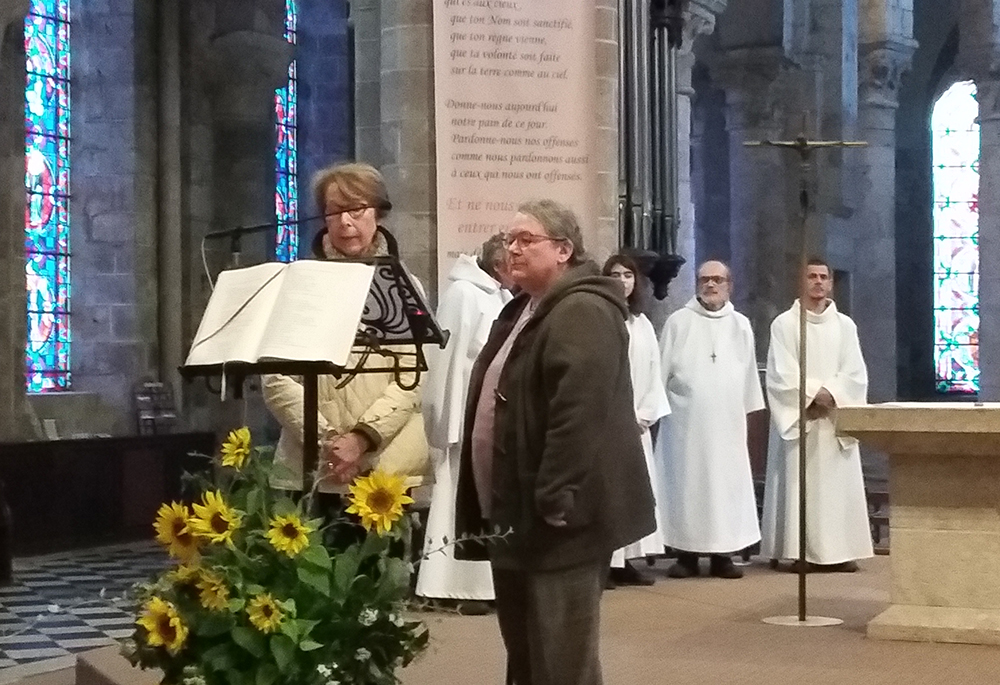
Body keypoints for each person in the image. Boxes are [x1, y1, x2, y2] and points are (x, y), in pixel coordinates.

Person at [454, 200, 655, 685]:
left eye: (527, 239)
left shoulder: (582, 309)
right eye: (509, 240)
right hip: (519, 512)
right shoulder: (526, 306)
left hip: (559, 519)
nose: (513, 249)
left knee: (561, 660)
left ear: (563, 250)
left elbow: (578, 415)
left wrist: (555, 492)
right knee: (527, 655)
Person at [262, 162, 430, 512]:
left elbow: (413, 378)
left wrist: (361, 438)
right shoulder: (298, 285)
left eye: (356, 209)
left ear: (378, 214)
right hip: (309, 463)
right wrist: (327, 440)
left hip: (386, 464)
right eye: (334, 212)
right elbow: (275, 377)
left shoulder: (406, 286)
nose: (345, 223)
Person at [415, 235, 514, 613]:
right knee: (456, 499)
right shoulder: (463, 294)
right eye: (511, 264)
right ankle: (453, 584)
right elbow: (446, 360)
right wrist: (445, 422)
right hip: (464, 413)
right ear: (497, 264)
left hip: (490, 413)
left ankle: (485, 584)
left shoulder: (500, 296)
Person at [760, 257, 873, 572]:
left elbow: (855, 374)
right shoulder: (784, 324)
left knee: (835, 490)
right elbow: (781, 374)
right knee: (801, 486)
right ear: (802, 282)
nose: (818, 282)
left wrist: (831, 394)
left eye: (824, 277)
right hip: (803, 420)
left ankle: (840, 552)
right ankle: (800, 552)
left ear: (831, 282)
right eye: (812, 276)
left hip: (833, 421)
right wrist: (814, 396)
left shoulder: (845, 326)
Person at [655, 260, 766, 579]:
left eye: (717, 279)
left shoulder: (740, 324)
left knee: (724, 487)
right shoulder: (678, 322)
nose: (710, 285)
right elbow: (661, 373)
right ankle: (686, 555)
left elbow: (747, 378)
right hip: (685, 426)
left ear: (729, 285)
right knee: (687, 485)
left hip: (727, 424)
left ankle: (724, 554)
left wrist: (747, 418)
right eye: (704, 279)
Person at [603, 254, 671, 587]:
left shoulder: (642, 323)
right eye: (614, 274)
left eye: (627, 274)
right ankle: (607, 562)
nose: (621, 280)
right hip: (610, 425)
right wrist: (620, 416)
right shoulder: (602, 319)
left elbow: (653, 373)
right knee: (611, 492)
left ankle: (627, 559)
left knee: (635, 492)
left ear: (636, 281)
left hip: (637, 424)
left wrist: (644, 414)